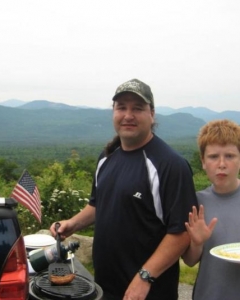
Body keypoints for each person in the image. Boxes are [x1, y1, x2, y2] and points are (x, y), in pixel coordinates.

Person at [50, 78, 198, 300]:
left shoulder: (170, 165)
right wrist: (73, 223)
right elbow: (99, 204)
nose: (128, 115)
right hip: (104, 287)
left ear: (152, 114)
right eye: (122, 108)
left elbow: (181, 232)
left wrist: (145, 277)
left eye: (138, 108)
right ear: (113, 112)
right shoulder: (107, 157)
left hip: (148, 292)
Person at [182, 119, 240, 300]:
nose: (221, 164)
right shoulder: (197, 203)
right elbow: (190, 261)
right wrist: (197, 242)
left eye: (230, 156)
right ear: (203, 161)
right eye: (213, 157)